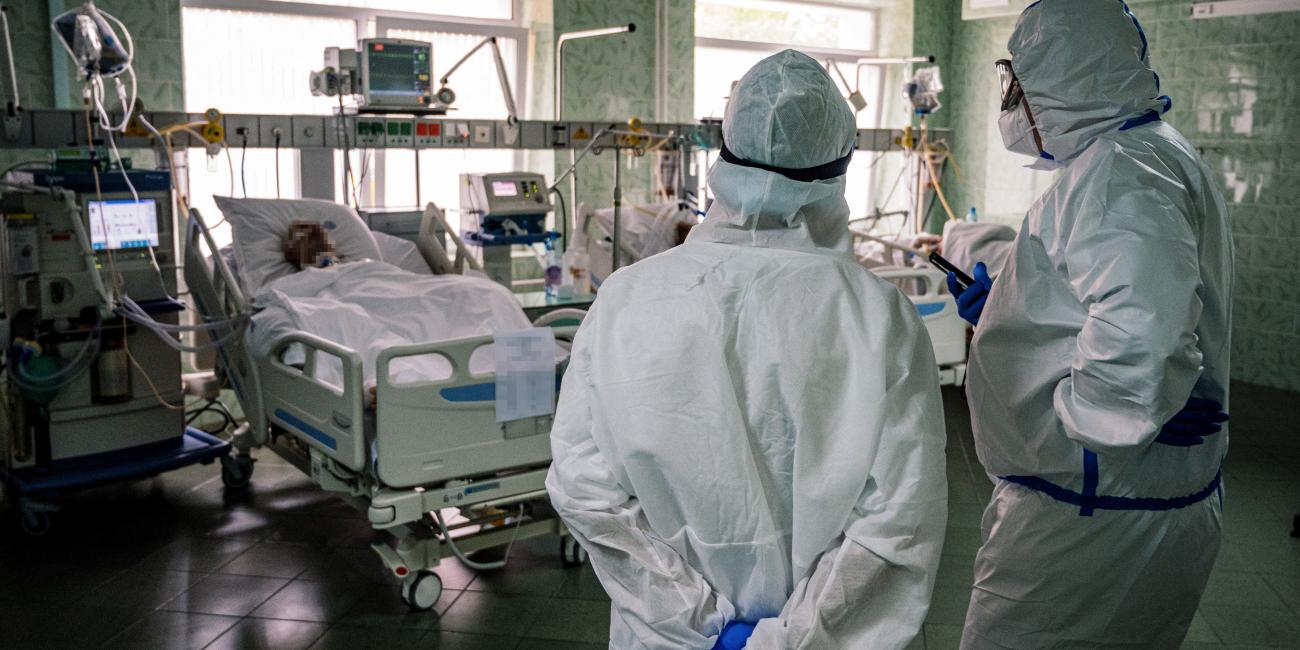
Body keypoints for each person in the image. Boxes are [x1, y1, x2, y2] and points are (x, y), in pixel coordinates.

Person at [545, 49, 949, 649]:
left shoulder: (626, 299)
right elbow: (899, 517)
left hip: (664, 638)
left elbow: (584, 486)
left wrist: (691, 621)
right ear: (839, 168)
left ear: (726, 151)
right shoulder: (878, 317)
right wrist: (789, 639)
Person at [945, 2, 1233, 647]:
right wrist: (1007, 316)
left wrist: (1118, 415)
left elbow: (1144, 338)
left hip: (1089, 508)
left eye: (1019, 83)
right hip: (1133, 501)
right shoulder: (1152, 152)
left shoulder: (1117, 173)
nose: (1014, 103)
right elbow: (1122, 299)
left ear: (1060, 76)